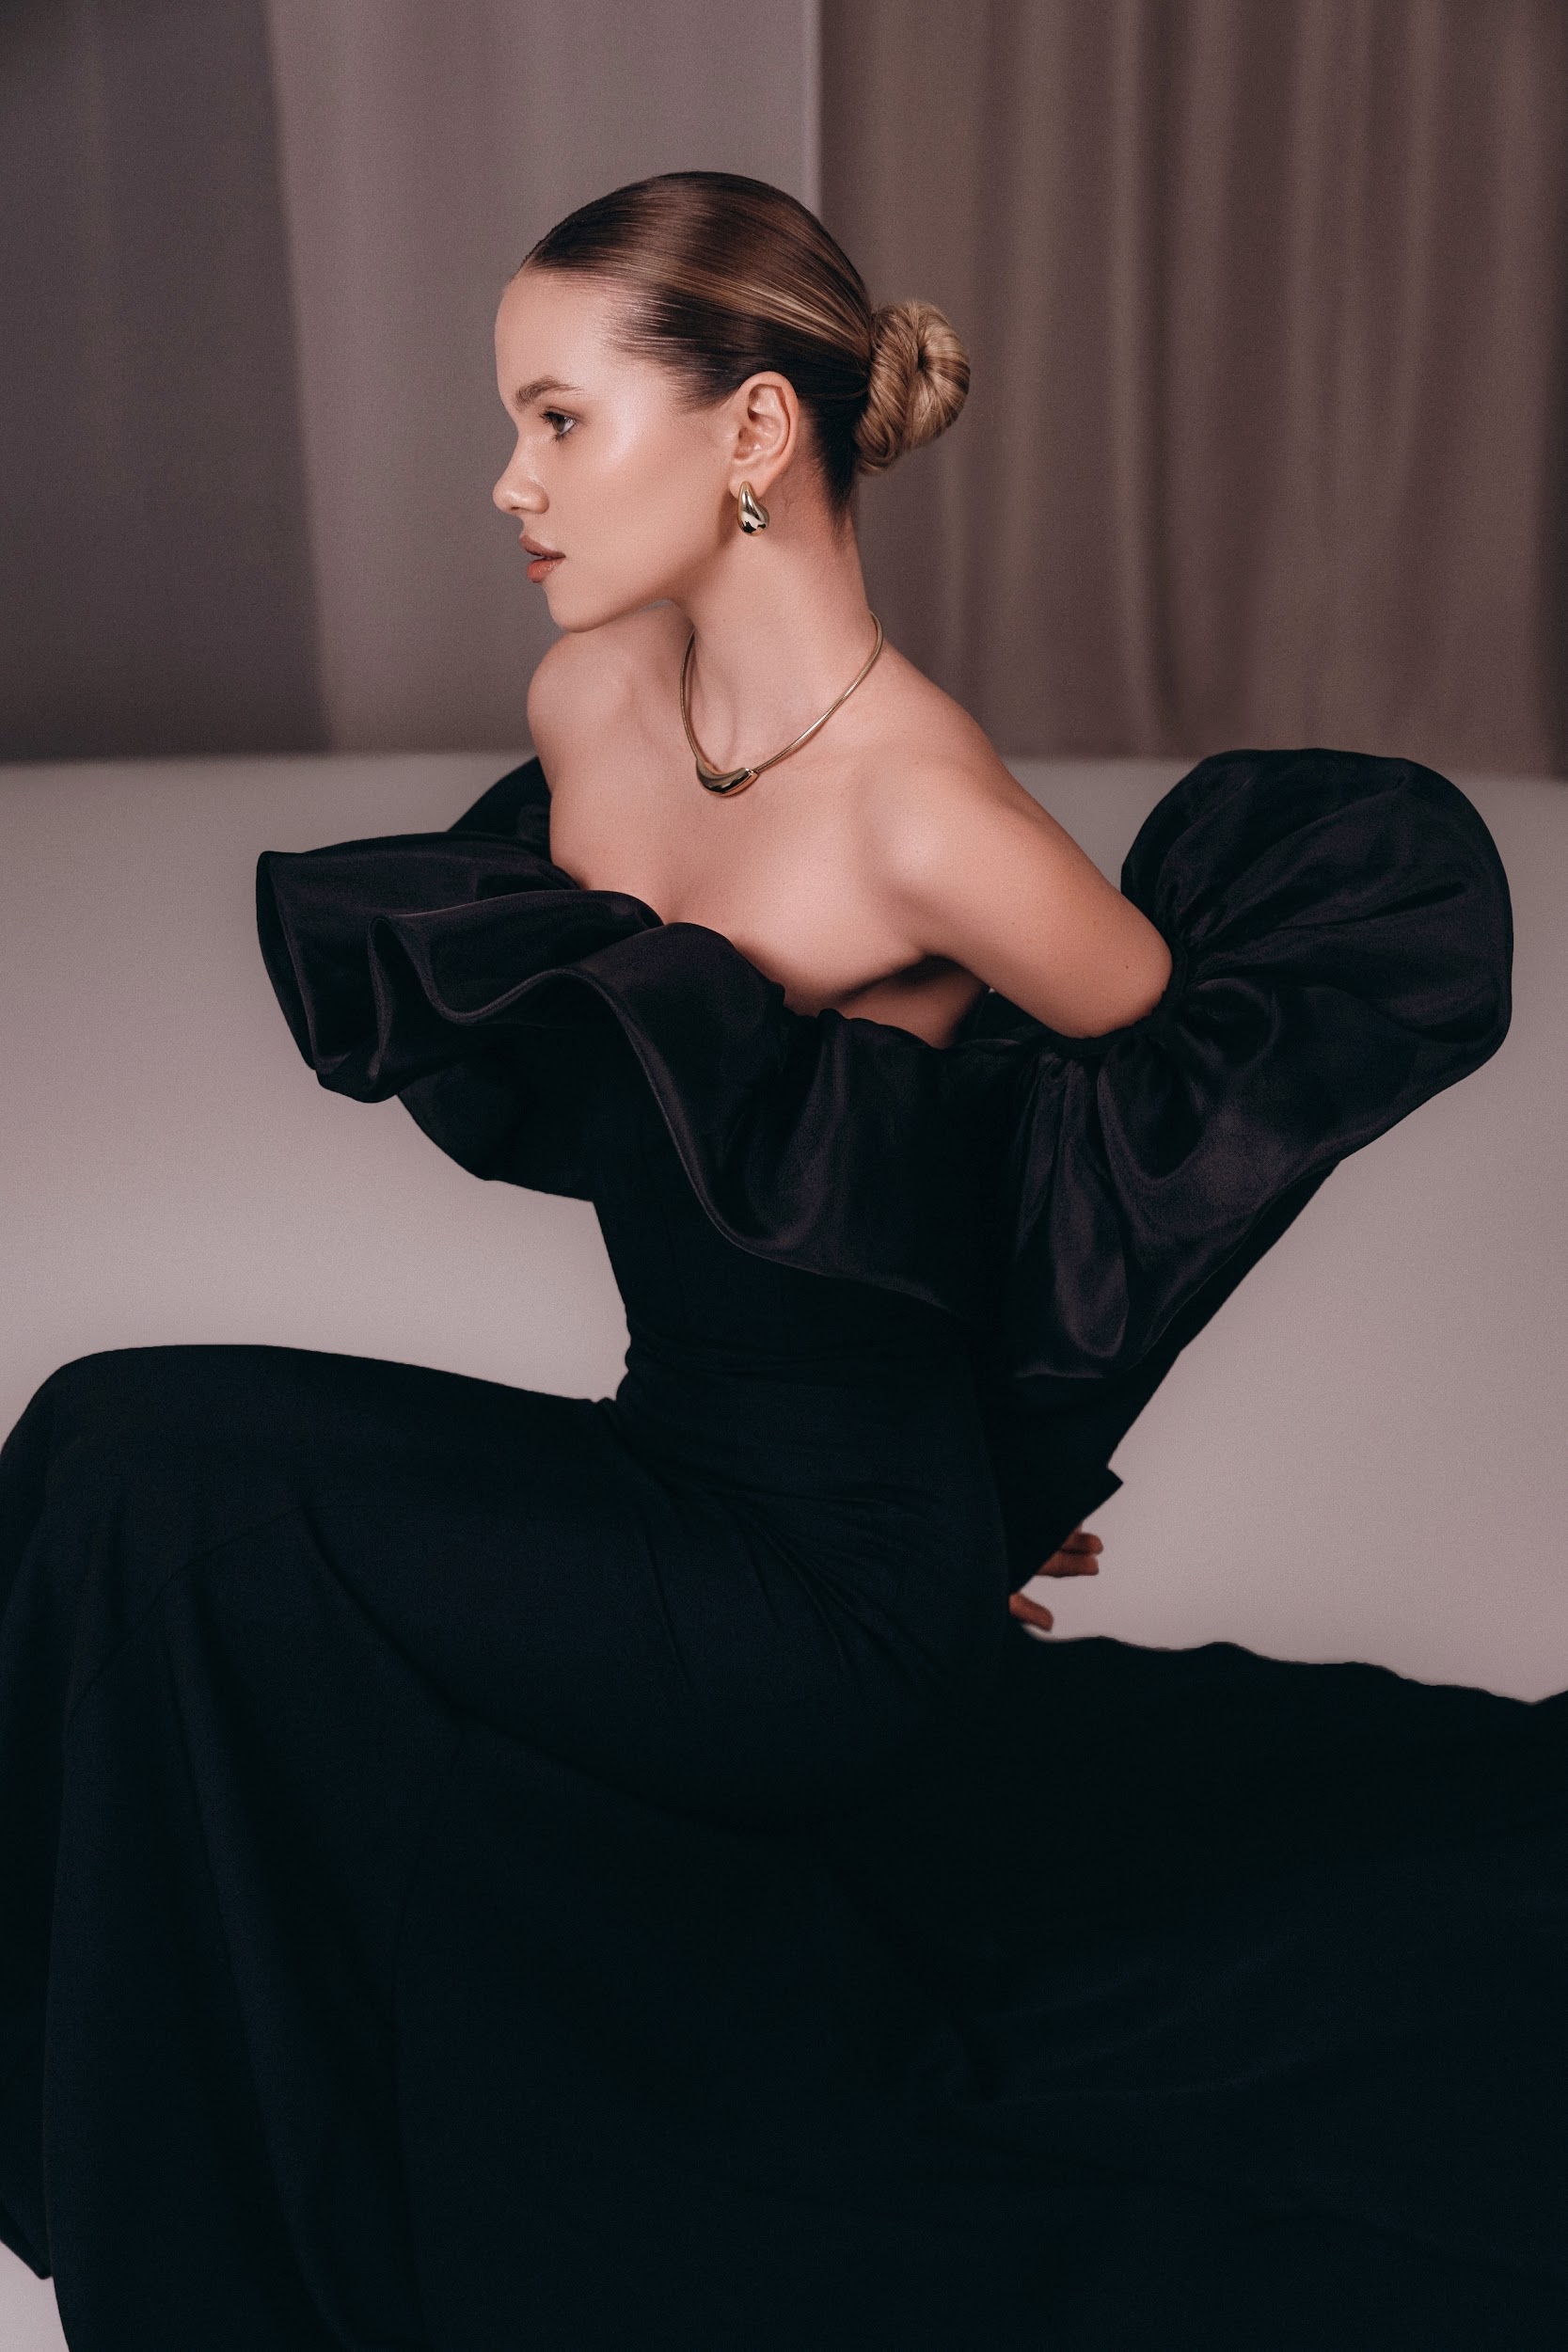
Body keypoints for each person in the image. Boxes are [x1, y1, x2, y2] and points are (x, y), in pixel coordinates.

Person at [0, 169, 1560, 2350]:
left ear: (750, 432)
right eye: (514, 421)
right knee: (106, 1458)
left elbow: (1159, 1130)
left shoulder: (932, 816)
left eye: (560, 420)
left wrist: (1004, 1475)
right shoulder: (592, 708)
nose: (509, 481)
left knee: (154, 1469)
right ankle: (141, 2101)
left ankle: (189, 2172)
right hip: (671, 1479)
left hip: (830, 1600)